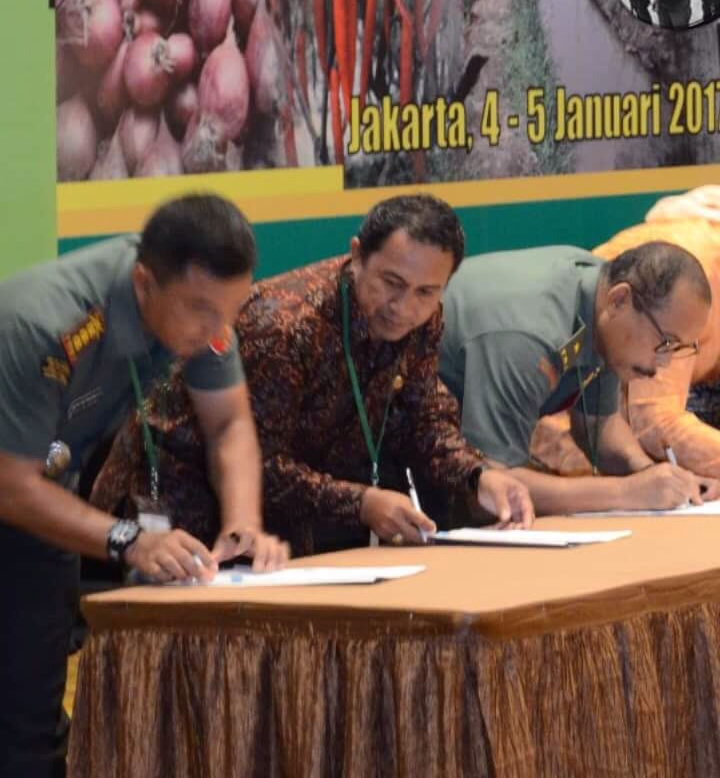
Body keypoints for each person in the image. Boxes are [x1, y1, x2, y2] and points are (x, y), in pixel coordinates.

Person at [0, 193, 286, 778]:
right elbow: (10, 485)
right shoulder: (43, 324)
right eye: (202, 311)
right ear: (143, 284)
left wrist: (243, 523)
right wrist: (129, 539)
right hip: (17, 486)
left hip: (43, 504)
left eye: (230, 310)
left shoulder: (202, 312)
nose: (218, 330)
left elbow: (229, 424)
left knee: (31, 726)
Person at [91, 194, 534, 558]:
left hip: (284, 519)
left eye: (426, 291)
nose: (404, 307)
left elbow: (425, 418)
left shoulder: (424, 319)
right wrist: (361, 503)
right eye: (391, 282)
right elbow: (259, 462)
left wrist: (477, 475)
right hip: (178, 498)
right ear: (357, 255)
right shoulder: (284, 325)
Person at [438, 243, 720, 514]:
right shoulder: (529, 337)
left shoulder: (601, 301)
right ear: (619, 300)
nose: (664, 363)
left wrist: (657, 477)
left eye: (677, 348)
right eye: (665, 342)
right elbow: (489, 491)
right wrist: (626, 492)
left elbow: (598, 423)